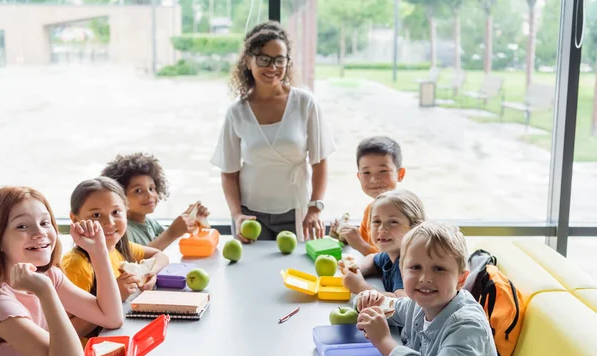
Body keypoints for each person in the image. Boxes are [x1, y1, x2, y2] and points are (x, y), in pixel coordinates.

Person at [211, 21, 335, 242]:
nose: (272, 67)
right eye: (264, 59)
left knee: (297, 274)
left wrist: (315, 207)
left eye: (279, 60)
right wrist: (237, 214)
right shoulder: (236, 112)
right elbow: (229, 173)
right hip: (250, 215)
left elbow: (320, 161)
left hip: (297, 210)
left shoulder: (305, 103)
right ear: (248, 62)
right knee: (251, 274)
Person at [0, 186, 124, 356]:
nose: (39, 233)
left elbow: (111, 318)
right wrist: (46, 293)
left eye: (45, 222)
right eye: (22, 226)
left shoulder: (47, 276)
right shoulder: (2, 301)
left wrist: (98, 251)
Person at [356, 221, 500, 356]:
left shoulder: (469, 326)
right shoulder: (417, 305)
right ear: (402, 272)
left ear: (461, 279)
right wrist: (366, 300)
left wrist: (383, 340)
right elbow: (384, 306)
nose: (425, 278)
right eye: (415, 267)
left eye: (438, 269)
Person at [60, 177, 168, 340]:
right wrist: (113, 297)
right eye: (96, 215)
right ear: (75, 220)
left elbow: (160, 256)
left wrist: (149, 274)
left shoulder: (119, 247)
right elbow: (64, 332)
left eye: (116, 212)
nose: (109, 223)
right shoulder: (76, 266)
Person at [102, 152, 209, 250]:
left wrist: (191, 219)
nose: (149, 195)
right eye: (138, 190)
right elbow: (135, 260)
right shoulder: (123, 231)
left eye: (151, 188)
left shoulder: (149, 222)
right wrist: (172, 232)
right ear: (119, 196)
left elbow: (169, 238)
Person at [340, 189, 425, 298]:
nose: (382, 229)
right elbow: (373, 259)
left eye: (393, 222)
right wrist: (356, 270)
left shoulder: (408, 262)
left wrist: (361, 286)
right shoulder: (392, 253)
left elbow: (403, 303)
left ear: (414, 227)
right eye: (376, 222)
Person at [331, 136, 405, 256]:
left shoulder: (406, 212)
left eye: (383, 171)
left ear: (400, 174)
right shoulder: (370, 210)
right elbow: (365, 241)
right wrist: (344, 235)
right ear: (359, 177)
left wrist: (361, 245)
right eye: (366, 172)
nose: (374, 179)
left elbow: (395, 262)